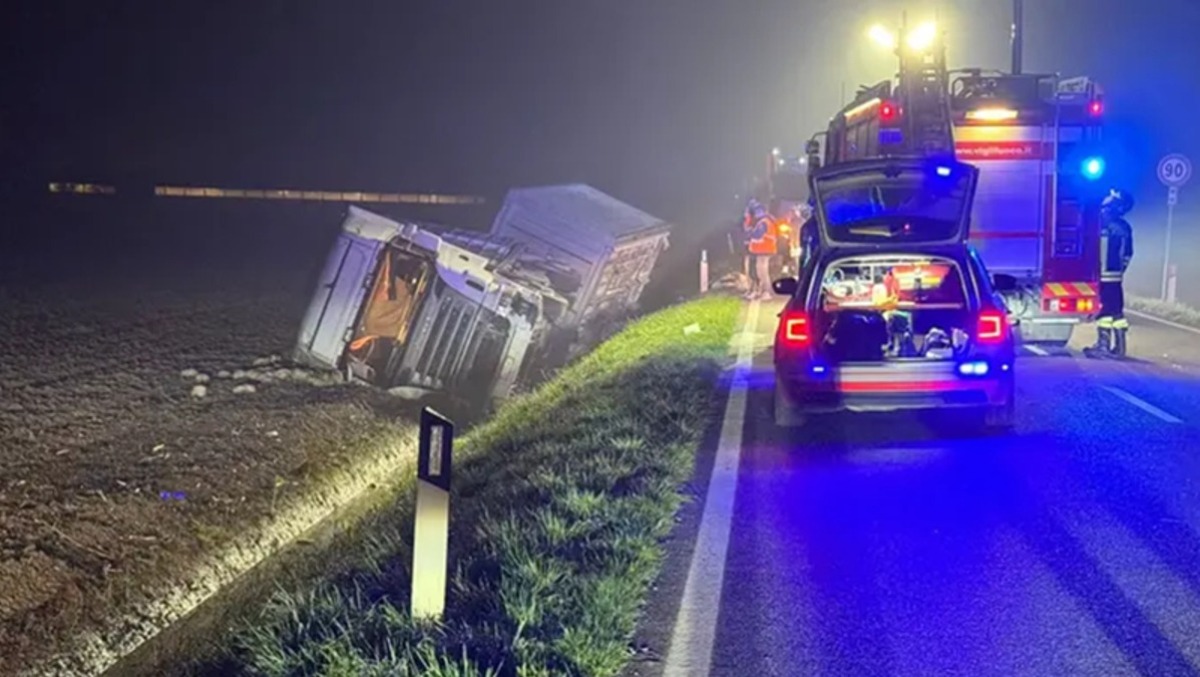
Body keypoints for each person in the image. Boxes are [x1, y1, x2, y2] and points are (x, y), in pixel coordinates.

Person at [1084, 188, 1135, 359]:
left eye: (1110, 199)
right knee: (1117, 312)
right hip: (1116, 276)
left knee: (1105, 311)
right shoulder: (1125, 227)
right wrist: (1120, 270)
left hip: (1102, 275)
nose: (1106, 200)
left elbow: (1091, 248)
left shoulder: (1102, 223)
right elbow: (1128, 254)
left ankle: (1103, 346)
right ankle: (1120, 347)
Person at [744, 201, 779, 299]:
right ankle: (762, 291)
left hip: (765, 250)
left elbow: (757, 234)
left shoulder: (764, 222)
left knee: (762, 272)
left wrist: (749, 232)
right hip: (763, 250)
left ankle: (767, 292)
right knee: (760, 272)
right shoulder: (765, 221)